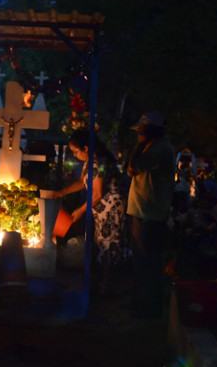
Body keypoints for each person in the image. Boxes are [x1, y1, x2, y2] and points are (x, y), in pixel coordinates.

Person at [50, 129, 126, 291]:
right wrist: (61, 193)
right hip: (101, 208)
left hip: (110, 209)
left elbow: (97, 193)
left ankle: (106, 286)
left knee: (107, 243)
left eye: (76, 152)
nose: (75, 155)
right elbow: (81, 183)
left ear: (86, 148)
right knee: (100, 242)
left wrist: (80, 210)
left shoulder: (98, 161)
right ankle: (100, 284)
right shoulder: (90, 161)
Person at [126, 111, 175, 318]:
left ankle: (148, 307)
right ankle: (143, 304)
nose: (138, 135)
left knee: (147, 261)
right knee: (144, 261)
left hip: (148, 212)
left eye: (140, 131)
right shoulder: (157, 148)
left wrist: (138, 147)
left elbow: (132, 168)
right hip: (145, 210)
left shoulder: (159, 149)